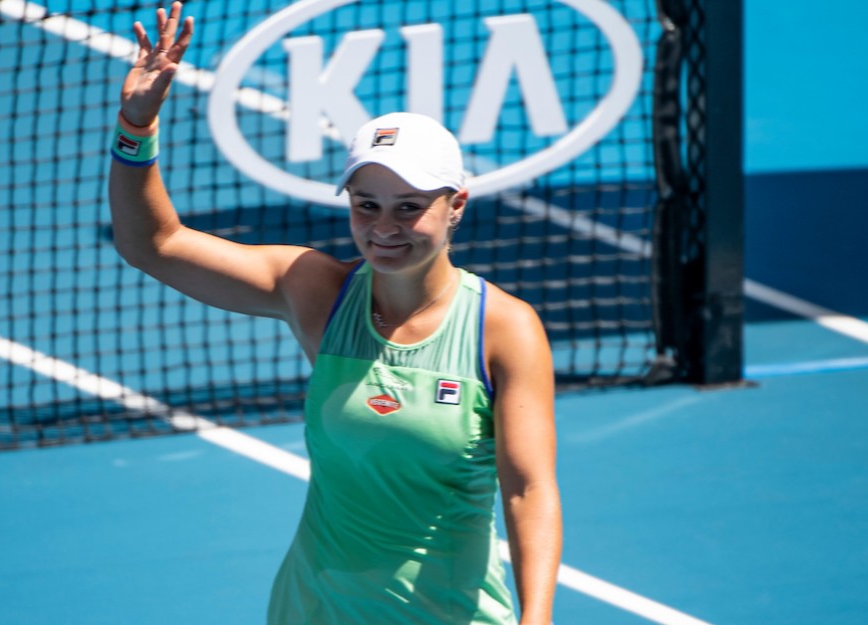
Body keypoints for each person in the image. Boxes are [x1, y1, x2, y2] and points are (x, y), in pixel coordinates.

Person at [108, 4, 561, 624]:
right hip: (313, 611)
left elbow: (529, 490)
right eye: (366, 205)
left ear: (456, 205)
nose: (383, 228)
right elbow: (152, 245)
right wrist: (137, 125)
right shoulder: (315, 291)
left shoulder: (503, 329)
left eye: (409, 207)